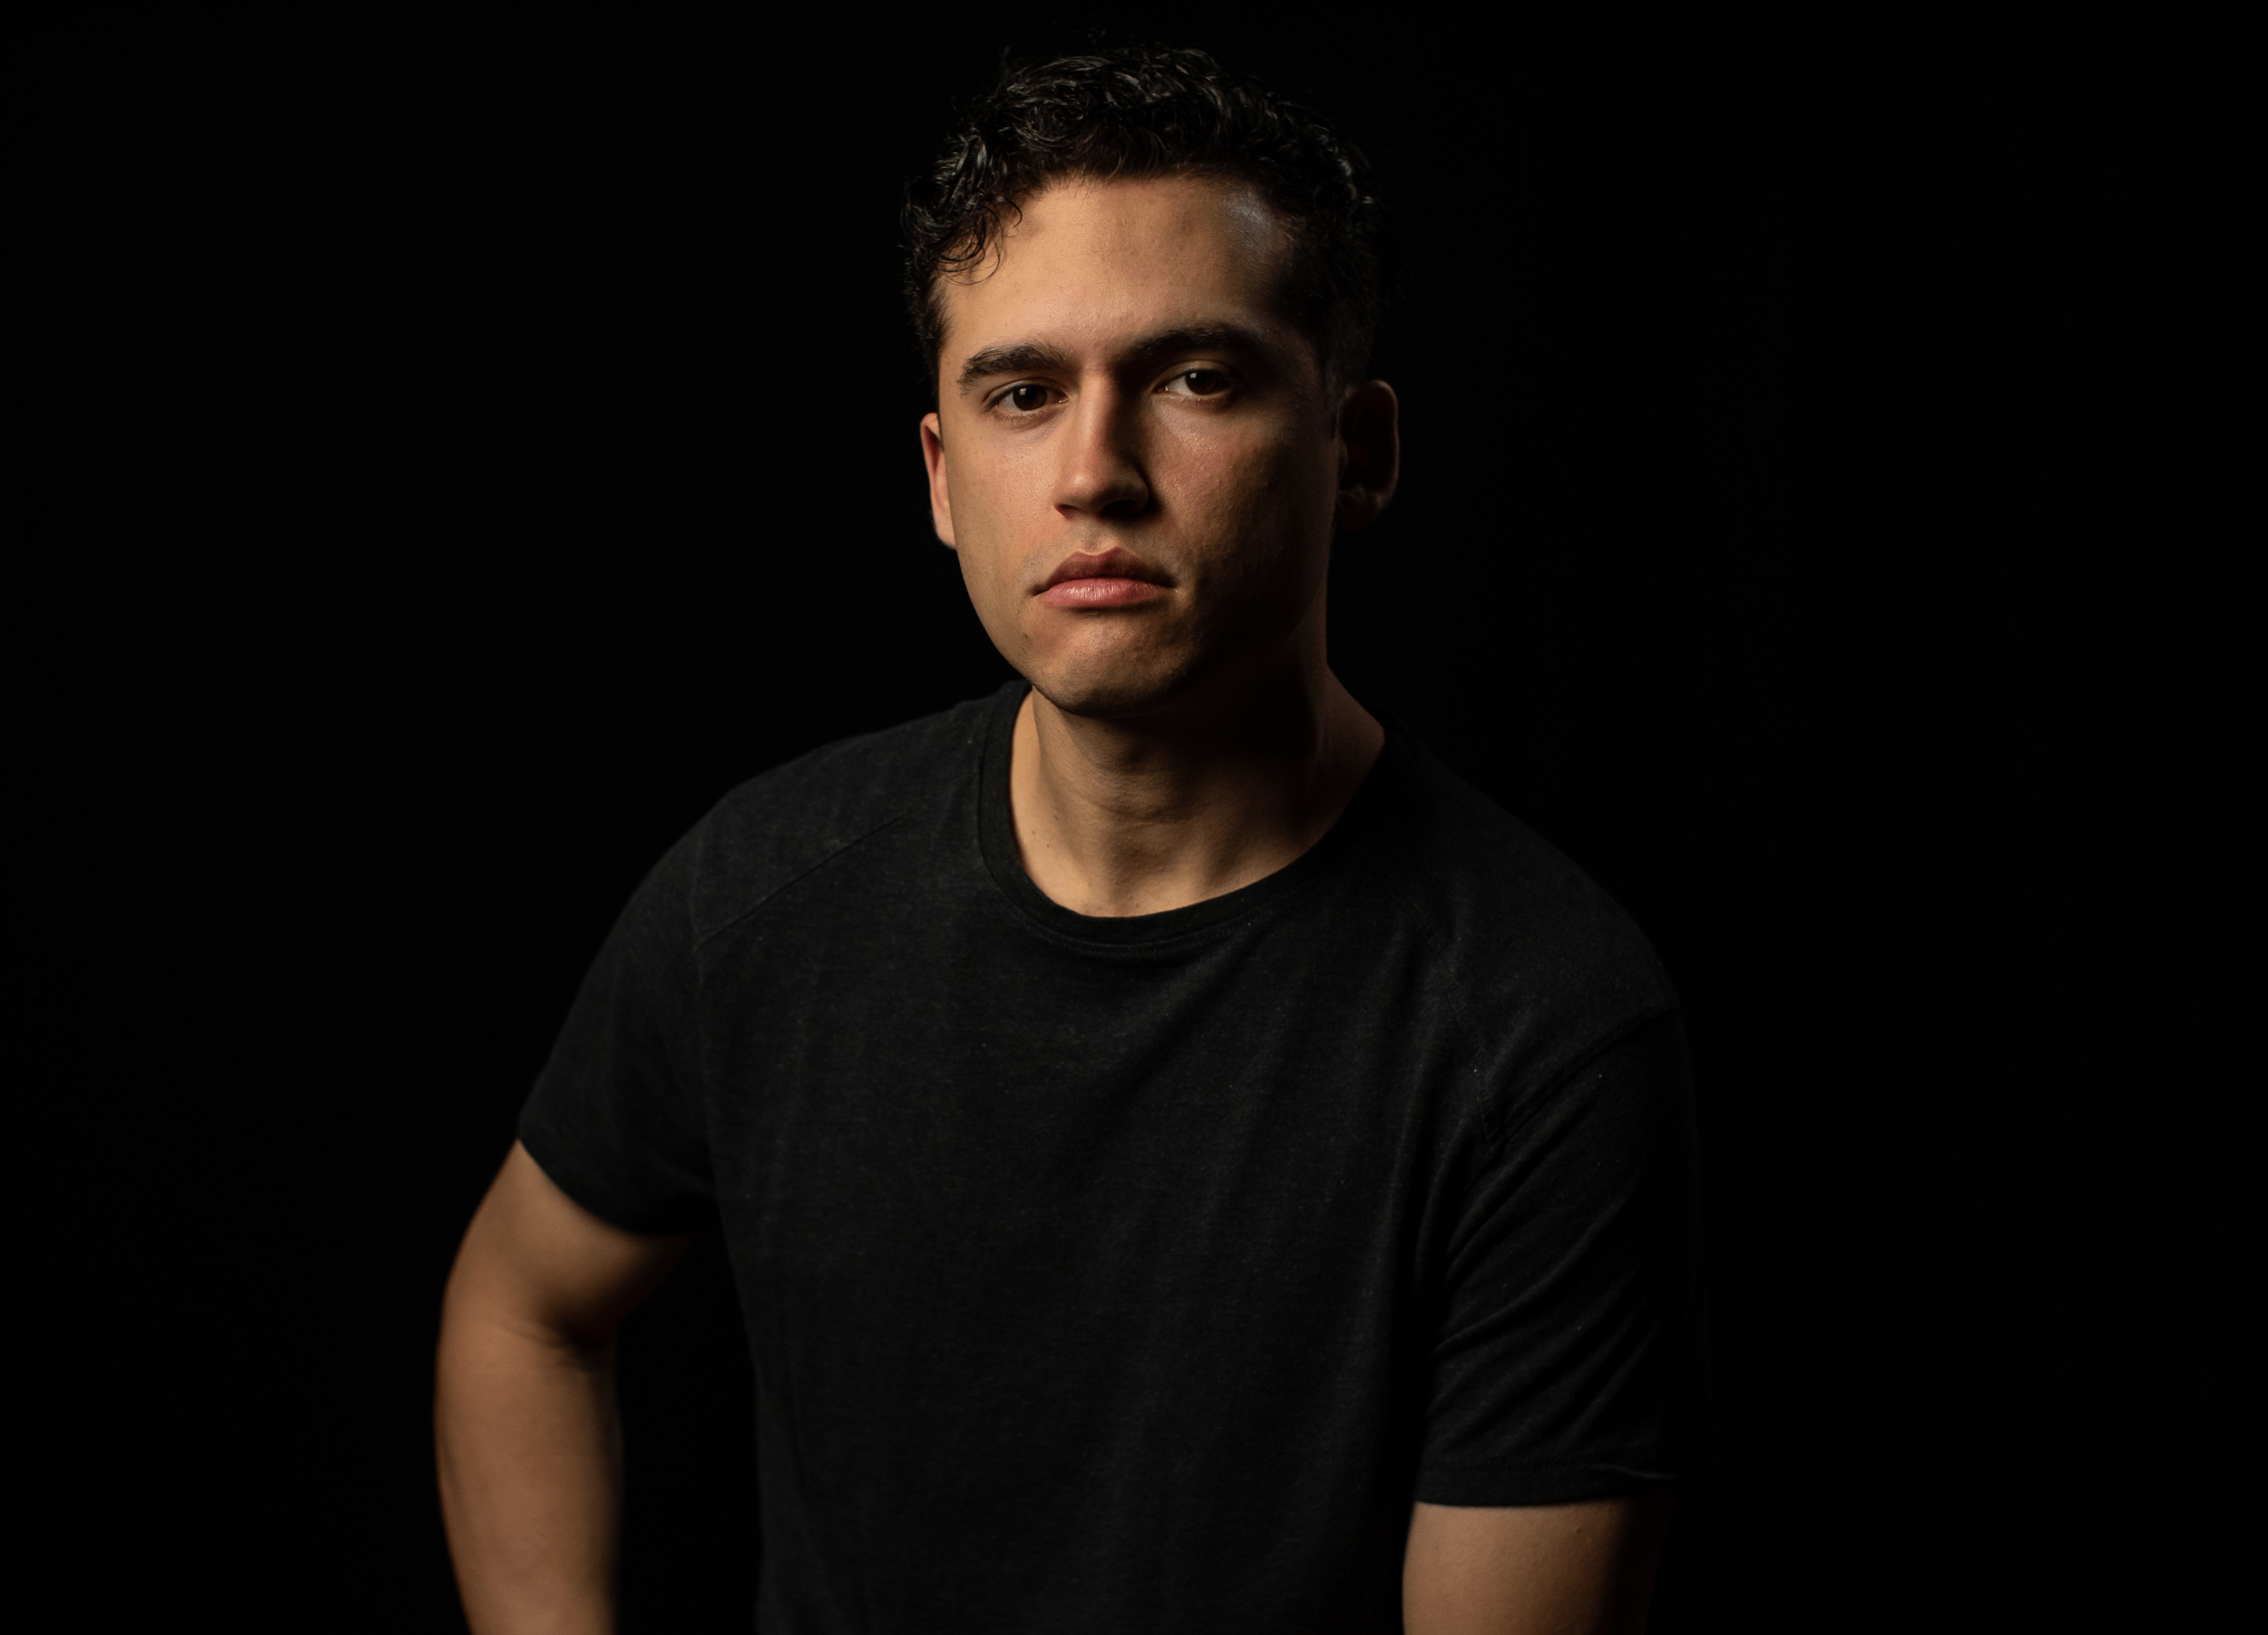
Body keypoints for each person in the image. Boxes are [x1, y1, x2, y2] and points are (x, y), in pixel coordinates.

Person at [435, 44, 1706, 1634]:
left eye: (1196, 378)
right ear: (943, 478)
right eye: (1023, 394)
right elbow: (521, 1309)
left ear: (1358, 449)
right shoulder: (761, 892)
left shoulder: (1540, 1025)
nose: (1095, 472)